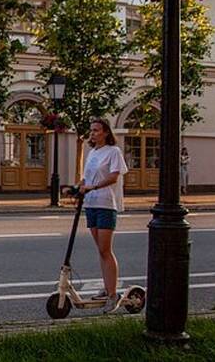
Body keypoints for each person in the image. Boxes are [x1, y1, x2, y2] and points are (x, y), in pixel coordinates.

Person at [76, 118, 128, 314]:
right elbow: (87, 177)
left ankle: (113, 295)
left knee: (106, 249)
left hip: (106, 204)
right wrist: (78, 187)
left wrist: (93, 187)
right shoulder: (93, 153)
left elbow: (114, 176)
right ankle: (107, 288)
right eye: (91, 130)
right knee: (100, 250)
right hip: (91, 203)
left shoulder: (113, 152)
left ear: (106, 132)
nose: (93, 133)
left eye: (97, 130)